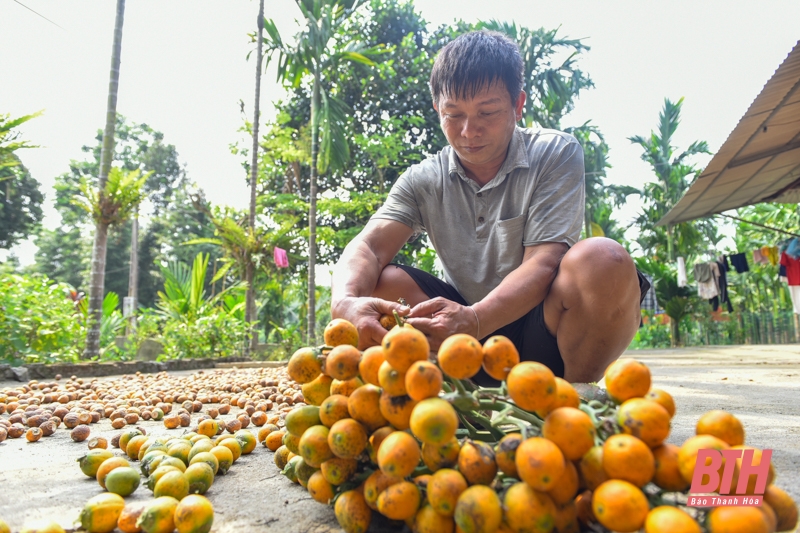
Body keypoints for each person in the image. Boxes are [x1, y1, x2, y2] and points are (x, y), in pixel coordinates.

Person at [330, 30, 648, 384]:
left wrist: (476, 318)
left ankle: (574, 397)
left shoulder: (554, 153)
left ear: (518, 104)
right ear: (437, 109)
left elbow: (545, 262)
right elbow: (368, 246)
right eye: (454, 114)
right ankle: (441, 388)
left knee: (605, 259)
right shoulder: (423, 178)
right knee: (381, 282)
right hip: (459, 347)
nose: (469, 131)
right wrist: (344, 303)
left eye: (488, 112)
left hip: (544, 339)